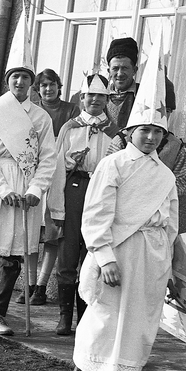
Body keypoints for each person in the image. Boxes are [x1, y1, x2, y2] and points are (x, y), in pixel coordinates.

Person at [71, 35, 178, 371]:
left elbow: (171, 225)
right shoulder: (113, 165)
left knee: (139, 326)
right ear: (131, 130)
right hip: (118, 253)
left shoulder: (165, 175)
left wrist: (168, 266)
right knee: (105, 320)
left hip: (150, 259)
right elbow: (96, 214)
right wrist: (104, 257)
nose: (150, 137)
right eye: (144, 129)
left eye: (157, 132)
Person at [0, 19, 59, 337]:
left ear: (31, 82)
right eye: (15, 76)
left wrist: (36, 190)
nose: (20, 81)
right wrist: (3, 189)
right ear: (8, 80)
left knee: (15, 255)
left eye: (25, 76)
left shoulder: (41, 117)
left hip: (26, 187)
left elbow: (48, 158)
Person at [53, 72, 119, 336]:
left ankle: (85, 316)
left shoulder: (115, 132)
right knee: (68, 253)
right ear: (81, 98)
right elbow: (57, 169)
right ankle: (64, 315)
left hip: (100, 191)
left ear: (107, 100)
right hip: (74, 189)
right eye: (90, 95)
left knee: (92, 254)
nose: (95, 100)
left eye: (101, 96)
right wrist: (56, 207)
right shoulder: (70, 128)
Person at [14, 67, 80, 306]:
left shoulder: (71, 111)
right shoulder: (31, 111)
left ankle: (41, 286)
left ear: (59, 87)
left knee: (52, 234)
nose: (48, 89)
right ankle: (29, 284)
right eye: (43, 85)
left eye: (52, 84)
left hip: (59, 175)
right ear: (37, 89)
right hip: (34, 175)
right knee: (32, 233)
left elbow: (75, 139)